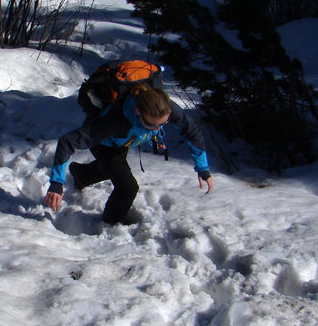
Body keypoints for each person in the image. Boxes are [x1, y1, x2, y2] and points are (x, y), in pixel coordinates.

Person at [45, 85, 214, 225]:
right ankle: (111, 223)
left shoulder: (164, 106)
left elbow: (192, 132)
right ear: (138, 111)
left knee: (111, 169)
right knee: (128, 187)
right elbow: (67, 141)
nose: (158, 129)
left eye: (163, 124)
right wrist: (56, 183)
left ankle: (81, 175)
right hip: (103, 142)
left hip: (124, 140)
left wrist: (203, 168)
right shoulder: (113, 122)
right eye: (152, 125)